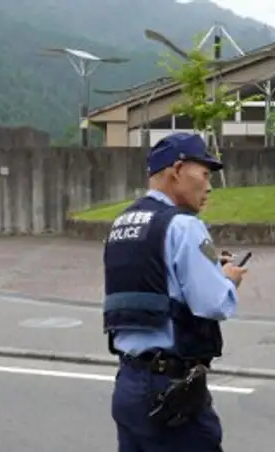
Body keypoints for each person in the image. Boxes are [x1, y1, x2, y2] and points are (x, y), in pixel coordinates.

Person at [102, 132, 247, 452]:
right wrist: (227, 279)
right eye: (204, 174)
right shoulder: (184, 225)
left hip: (128, 384)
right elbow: (214, 303)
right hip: (170, 390)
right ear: (178, 170)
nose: (209, 186)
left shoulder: (122, 224)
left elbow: (150, 280)